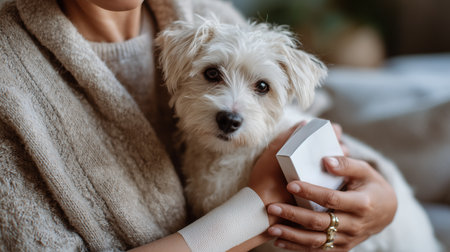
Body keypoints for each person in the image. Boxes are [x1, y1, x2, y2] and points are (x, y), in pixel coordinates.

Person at [0, 0, 403, 251]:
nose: (231, 106)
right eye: (212, 75)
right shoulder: (11, 74)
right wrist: (257, 205)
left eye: (259, 86)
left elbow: (322, 122)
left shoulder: (208, 13)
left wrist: (385, 197)